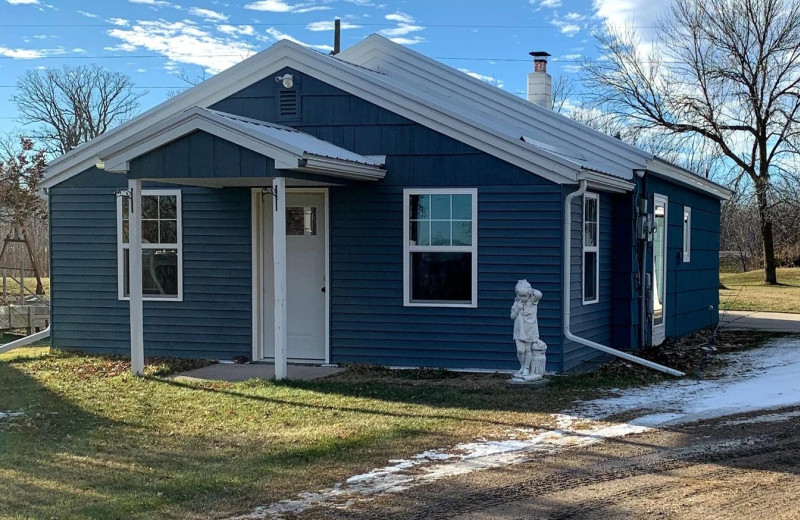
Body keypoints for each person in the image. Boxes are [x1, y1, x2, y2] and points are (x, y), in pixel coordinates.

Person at [510, 279, 542, 378]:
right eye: (520, 295)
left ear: (529, 294)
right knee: (520, 350)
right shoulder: (516, 303)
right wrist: (518, 308)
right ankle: (522, 366)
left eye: (524, 296)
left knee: (528, 350)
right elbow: (512, 316)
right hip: (519, 330)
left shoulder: (533, 301)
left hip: (530, 328)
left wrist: (527, 288)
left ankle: (526, 368)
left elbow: (539, 294)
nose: (522, 298)